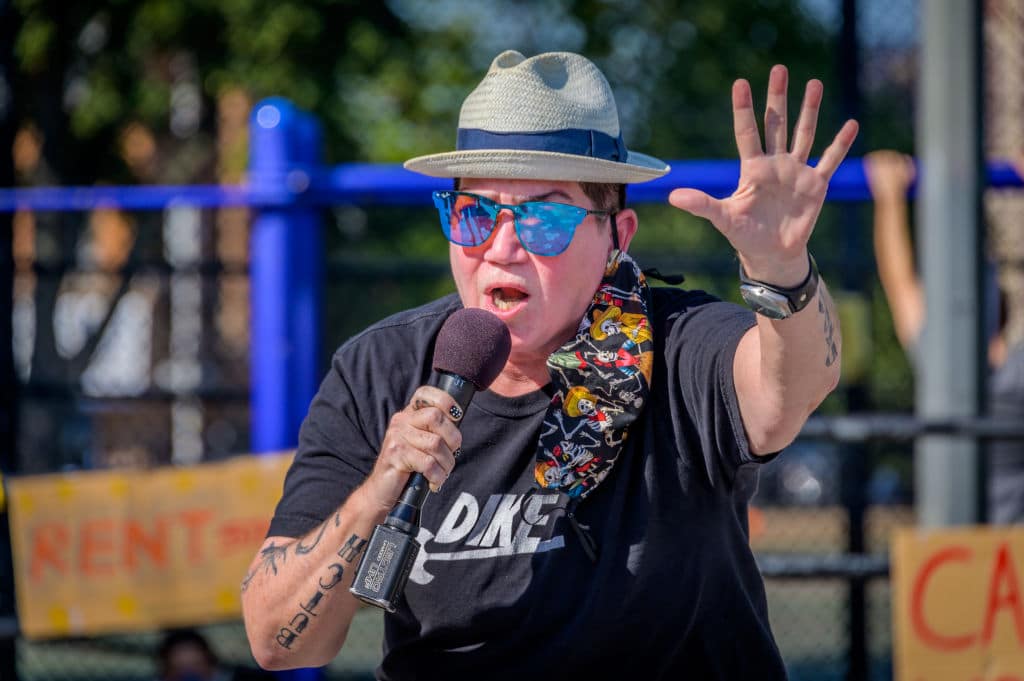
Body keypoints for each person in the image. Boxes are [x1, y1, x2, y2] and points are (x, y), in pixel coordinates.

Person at [241, 50, 857, 679]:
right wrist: (378, 494)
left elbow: (791, 390)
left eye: (543, 216)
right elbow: (277, 643)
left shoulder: (680, 344)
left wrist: (783, 272)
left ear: (618, 235)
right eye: (475, 215)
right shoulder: (382, 367)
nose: (502, 247)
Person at [864, 150, 1024, 523]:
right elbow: (901, 282)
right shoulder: (1015, 370)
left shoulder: (938, 358)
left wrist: (889, 199)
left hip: (953, 547)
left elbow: (899, 280)